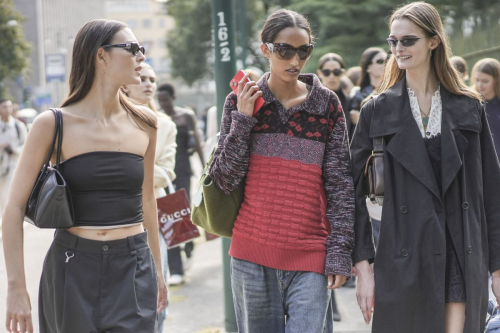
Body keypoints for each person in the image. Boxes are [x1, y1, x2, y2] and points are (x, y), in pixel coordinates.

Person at [2, 19, 167, 333]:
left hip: (133, 266)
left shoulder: (146, 122)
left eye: (141, 49)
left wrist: (158, 271)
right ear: (101, 56)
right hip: (71, 269)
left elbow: (148, 200)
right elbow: (12, 210)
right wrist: (15, 288)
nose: (141, 57)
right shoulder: (52, 124)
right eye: (132, 49)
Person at [351, 3, 500, 332]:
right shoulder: (377, 110)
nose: (398, 49)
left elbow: (492, 191)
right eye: (393, 42)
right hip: (403, 252)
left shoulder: (468, 106)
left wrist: (497, 269)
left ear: (433, 41)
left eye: (408, 41)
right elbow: (349, 192)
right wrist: (363, 265)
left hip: (461, 249)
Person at [210, 9, 354, 332]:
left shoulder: (327, 105)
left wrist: (339, 252)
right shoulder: (240, 101)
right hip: (251, 256)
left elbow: (340, 184)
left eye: (304, 51)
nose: (295, 59)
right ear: (265, 50)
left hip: (310, 256)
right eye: (284, 50)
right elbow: (224, 178)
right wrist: (244, 120)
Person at [122, 62, 177, 333]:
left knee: (158, 290)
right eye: (142, 77)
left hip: (154, 214)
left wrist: (128, 167)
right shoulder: (114, 121)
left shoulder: (165, 125)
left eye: (153, 79)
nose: (148, 83)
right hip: (119, 218)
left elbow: (165, 173)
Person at [157, 83, 205, 286]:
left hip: (184, 171)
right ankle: (176, 269)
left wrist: (206, 169)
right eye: (160, 100)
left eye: (166, 99)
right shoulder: (158, 118)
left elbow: (199, 143)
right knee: (169, 217)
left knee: (184, 213)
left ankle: (189, 243)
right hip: (165, 174)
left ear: (173, 98)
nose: (163, 103)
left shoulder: (186, 116)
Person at [0, 99, 27, 217]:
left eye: (9, 107)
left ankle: (8, 218)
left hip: (13, 164)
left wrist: (14, 150)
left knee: (9, 193)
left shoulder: (18, 126)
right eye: (4, 107)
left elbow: (26, 145)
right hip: (1, 165)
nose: (7, 109)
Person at [349, 47, 387, 127]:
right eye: (380, 61)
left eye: (388, 61)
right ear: (368, 67)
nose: (385, 64)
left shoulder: (397, 90)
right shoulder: (358, 94)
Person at [471, 58, 500, 155]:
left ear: (496, 80)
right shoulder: (471, 104)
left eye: (485, 81)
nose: (479, 85)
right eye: (477, 80)